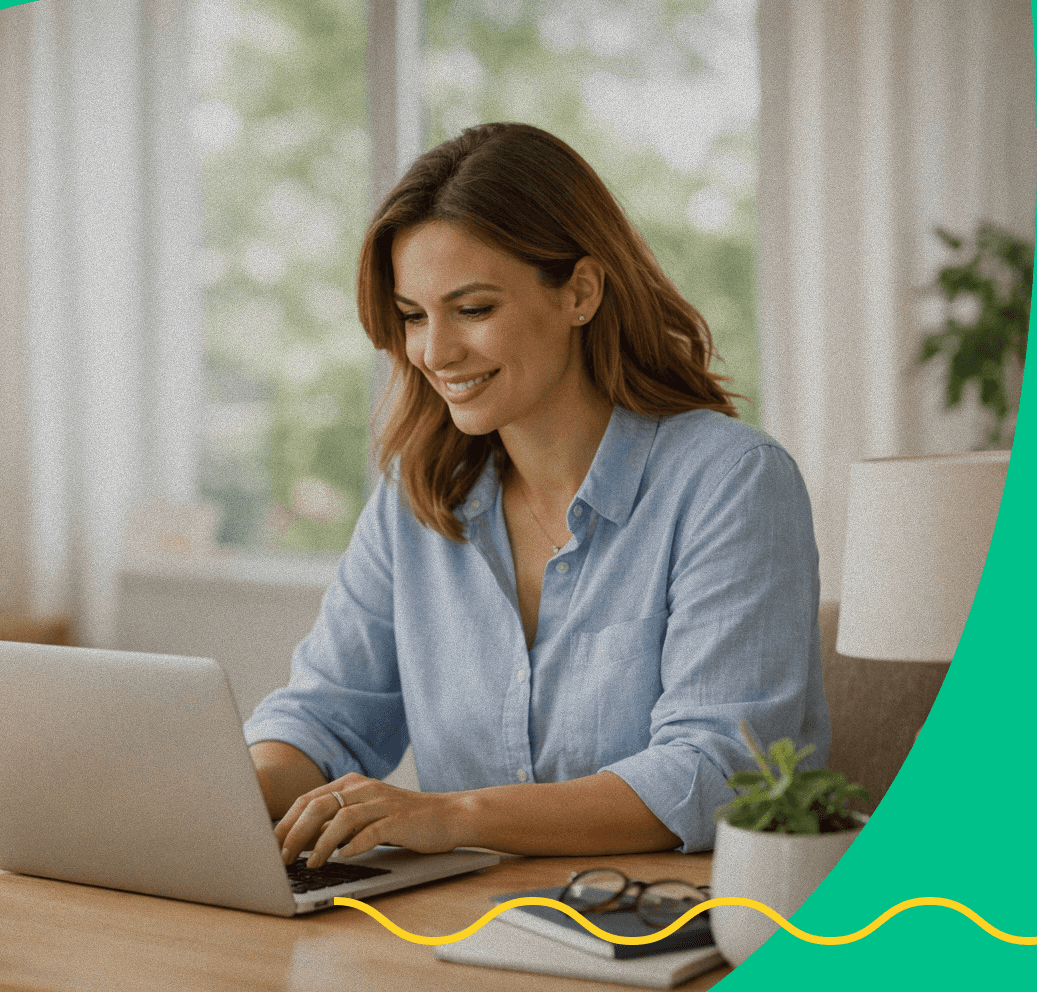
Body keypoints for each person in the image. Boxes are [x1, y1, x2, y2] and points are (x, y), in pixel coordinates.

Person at [244, 122, 829, 869]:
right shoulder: (417, 498)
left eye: (474, 309)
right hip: (463, 928)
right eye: (415, 316)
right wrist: (226, 789)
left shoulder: (731, 482)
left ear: (580, 292)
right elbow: (325, 717)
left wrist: (451, 814)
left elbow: (716, 772)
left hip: (666, 935)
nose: (435, 351)